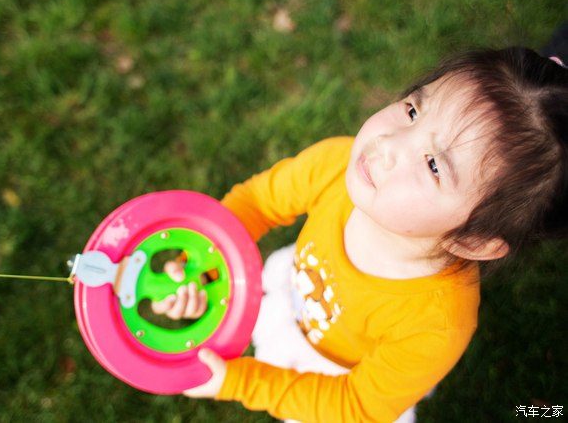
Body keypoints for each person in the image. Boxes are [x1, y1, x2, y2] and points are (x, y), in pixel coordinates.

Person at [151, 46, 568, 422]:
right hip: (292, 295)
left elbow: (355, 404)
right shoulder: (337, 164)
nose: (388, 144)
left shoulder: (435, 325)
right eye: (413, 111)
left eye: (433, 165)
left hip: (341, 376)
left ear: (472, 241)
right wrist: (199, 261)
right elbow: (258, 202)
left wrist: (242, 382)